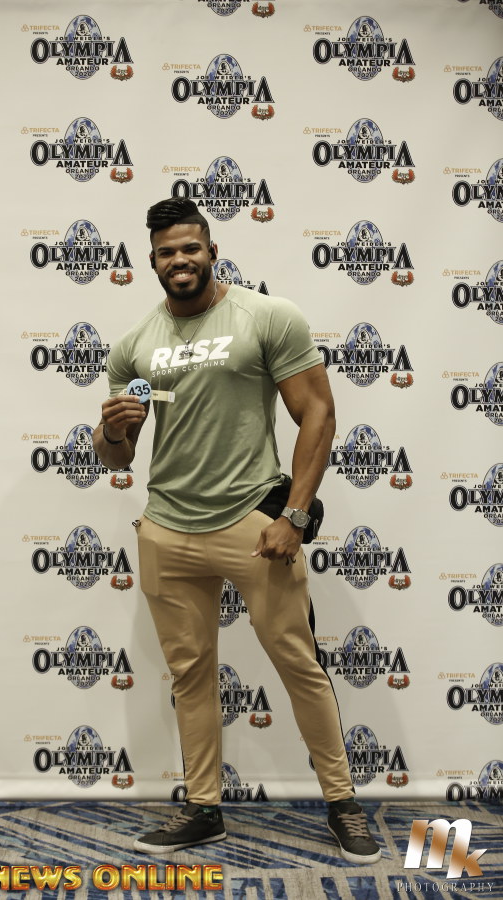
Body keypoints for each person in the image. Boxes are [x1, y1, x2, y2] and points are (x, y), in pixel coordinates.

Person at [93, 198, 381, 864]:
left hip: (251, 523)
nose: (180, 260)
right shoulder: (134, 345)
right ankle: (203, 809)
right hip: (166, 530)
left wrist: (295, 516)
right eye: (167, 252)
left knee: (299, 664)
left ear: (212, 252)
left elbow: (318, 413)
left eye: (190, 248)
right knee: (189, 675)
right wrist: (109, 431)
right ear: (153, 262)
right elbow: (117, 458)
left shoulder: (267, 316)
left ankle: (342, 802)